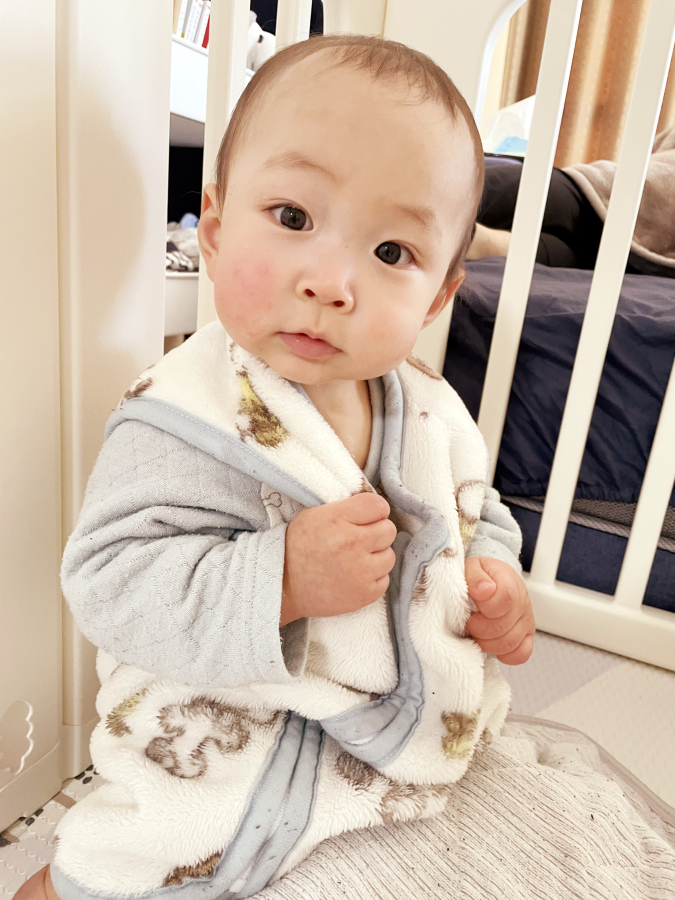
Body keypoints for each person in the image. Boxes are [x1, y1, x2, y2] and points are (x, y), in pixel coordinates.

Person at [16, 35, 534, 900]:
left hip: (369, 732)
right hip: (218, 733)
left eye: (391, 253)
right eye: (293, 218)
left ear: (438, 296)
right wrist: (282, 578)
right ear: (215, 233)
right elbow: (109, 583)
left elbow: (476, 510)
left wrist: (495, 580)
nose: (331, 282)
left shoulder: (429, 407)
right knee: (116, 863)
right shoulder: (183, 415)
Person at [467, 128, 675, 278]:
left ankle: (472, 240)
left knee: (476, 206)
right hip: (599, 206)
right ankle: (473, 239)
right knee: (469, 192)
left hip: (623, 252)